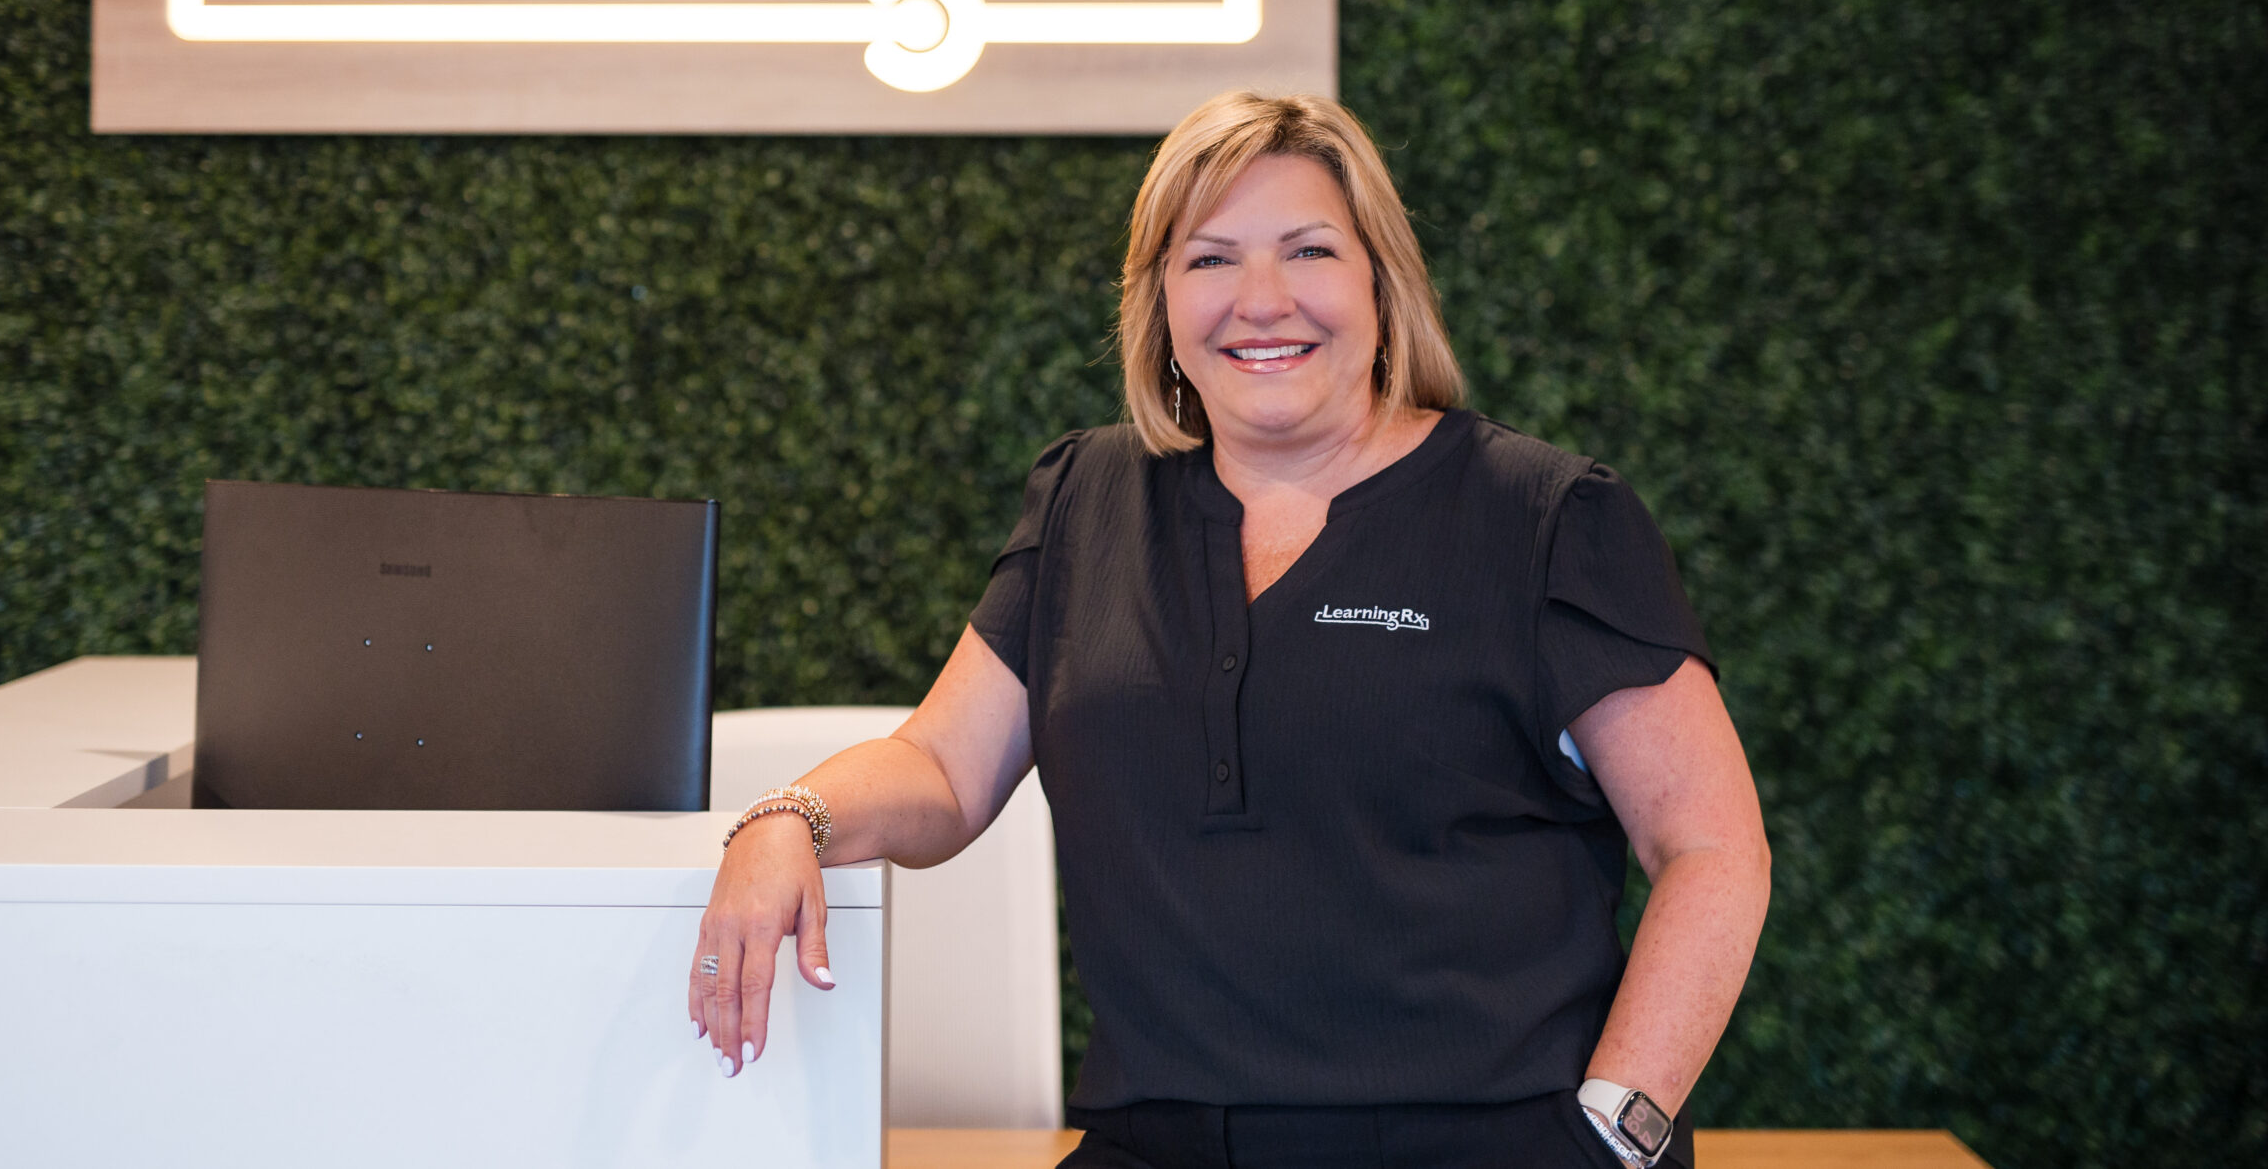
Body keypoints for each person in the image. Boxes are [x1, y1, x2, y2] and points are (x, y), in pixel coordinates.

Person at [691, 91, 1772, 1169]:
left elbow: (1710, 846)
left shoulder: (1544, 517)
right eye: (1209, 261)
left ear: (1380, 283)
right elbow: (940, 768)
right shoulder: (1087, 499)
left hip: (1488, 1142)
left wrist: (1617, 1130)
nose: (1260, 302)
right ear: (1157, 303)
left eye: (1307, 251)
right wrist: (793, 815)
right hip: (1158, 1144)